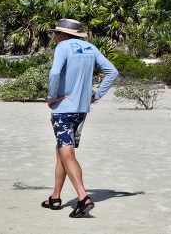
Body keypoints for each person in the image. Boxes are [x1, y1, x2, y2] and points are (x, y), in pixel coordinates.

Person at [41, 19, 119, 218]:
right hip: (81, 110)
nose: (55, 36)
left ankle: (83, 198)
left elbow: (54, 73)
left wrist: (51, 97)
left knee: (67, 153)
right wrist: (95, 96)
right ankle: (55, 197)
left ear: (63, 34)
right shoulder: (91, 48)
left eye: (56, 33)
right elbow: (112, 72)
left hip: (63, 109)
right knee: (61, 151)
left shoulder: (62, 47)